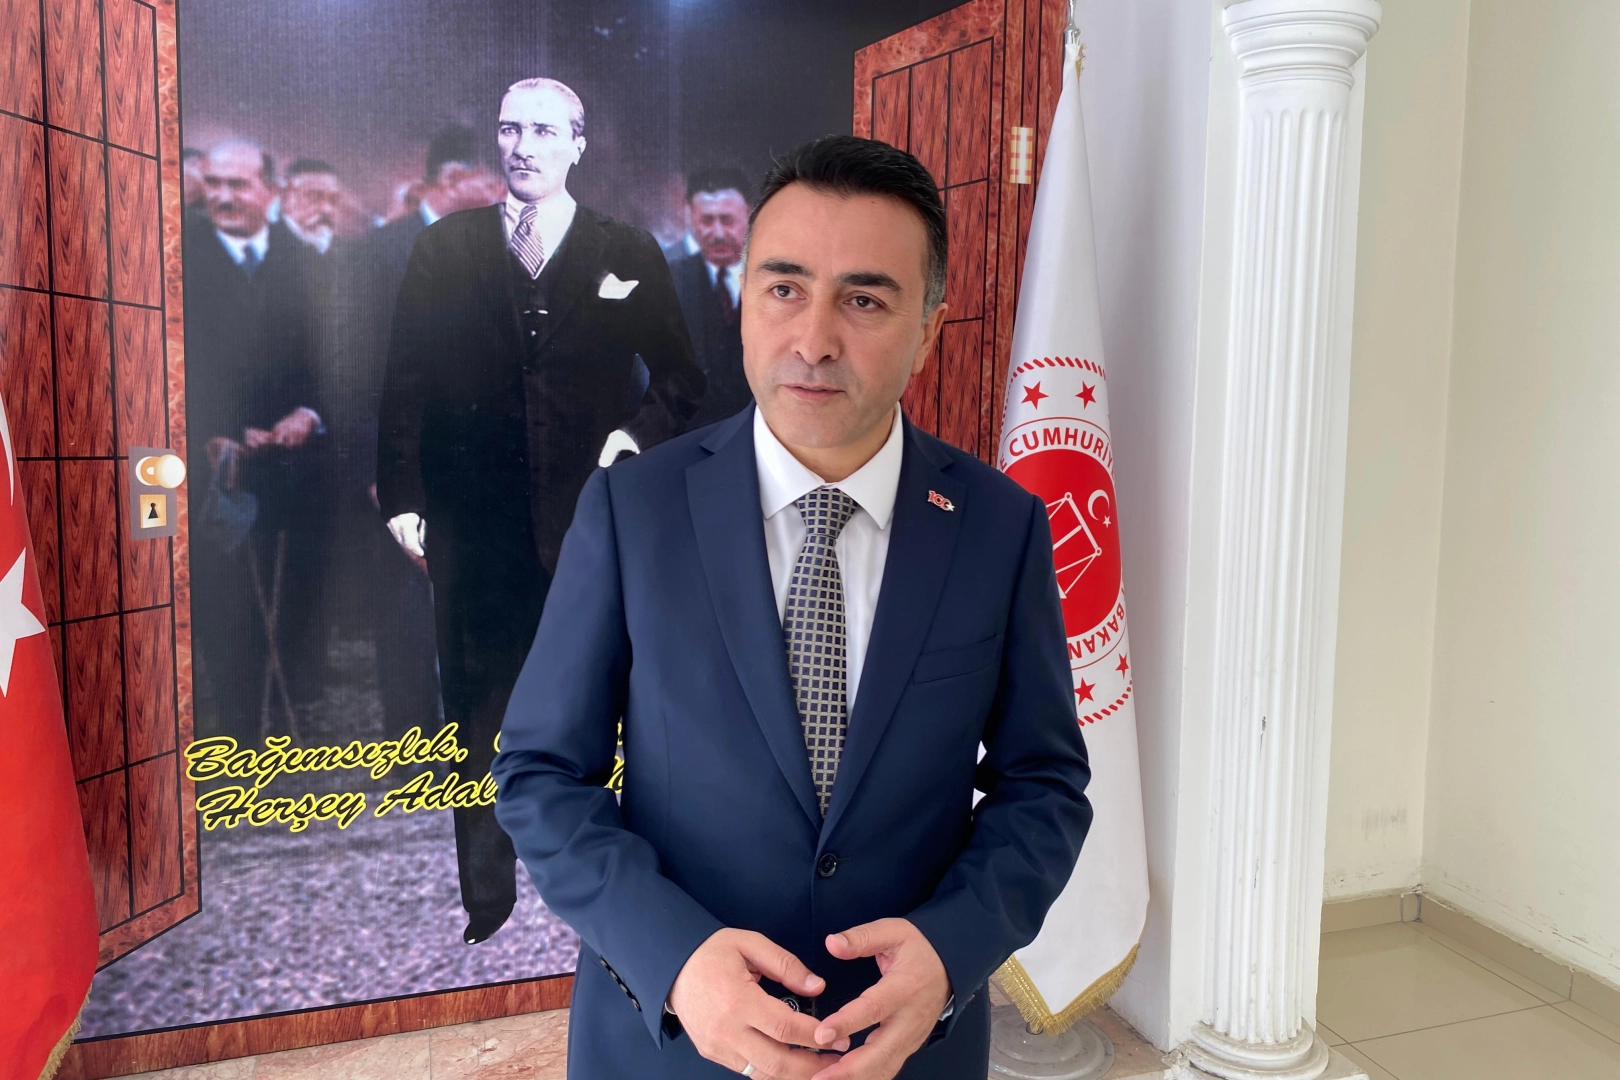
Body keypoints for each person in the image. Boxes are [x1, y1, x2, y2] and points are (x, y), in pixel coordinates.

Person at [492, 135, 1092, 1079]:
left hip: (906, 1050)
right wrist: (674, 958)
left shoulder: (998, 527)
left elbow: (1044, 787)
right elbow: (539, 774)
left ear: (929, 329)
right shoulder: (632, 511)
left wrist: (952, 949)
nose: (814, 340)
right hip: (669, 1044)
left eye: (864, 300)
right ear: (744, 302)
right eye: (784, 288)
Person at [377, 79, 704, 946]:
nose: (523, 146)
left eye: (544, 131)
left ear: (578, 145)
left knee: (592, 701)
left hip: (589, 523)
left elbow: (682, 379)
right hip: (471, 526)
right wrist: (403, 496)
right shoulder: (444, 249)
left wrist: (632, 437)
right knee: (477, 707)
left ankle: (588, 877)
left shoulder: (625, 249)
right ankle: (487, 900)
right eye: (510, 129)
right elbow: (404, 380)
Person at [330, 126, 505, 743]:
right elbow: (350, 374)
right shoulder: (377, 255)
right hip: (406, 465)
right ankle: (411, 750)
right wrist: (377, 477)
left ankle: (476, 742)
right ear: (454, 180)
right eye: (496, 182)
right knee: (408, 615)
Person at [183, 141, 330, 746]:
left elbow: (340, 356)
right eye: (214, 183)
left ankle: (289, 722)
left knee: (294, 597)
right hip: (217, 468)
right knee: (228, 603)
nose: (222, 196)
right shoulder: (178, 257)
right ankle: (240, 734)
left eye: (238, 184)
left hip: (296, 468)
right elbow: (165, 360)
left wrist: (310, 413)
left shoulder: (310, 262)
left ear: (271, 191)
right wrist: (212, 428)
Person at [670, 167, 756, 428]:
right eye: (706, 221)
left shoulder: (778, 280)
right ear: (691, 218)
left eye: (727, 220)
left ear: (750, 215)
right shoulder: (668, 281)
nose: (717, 233)